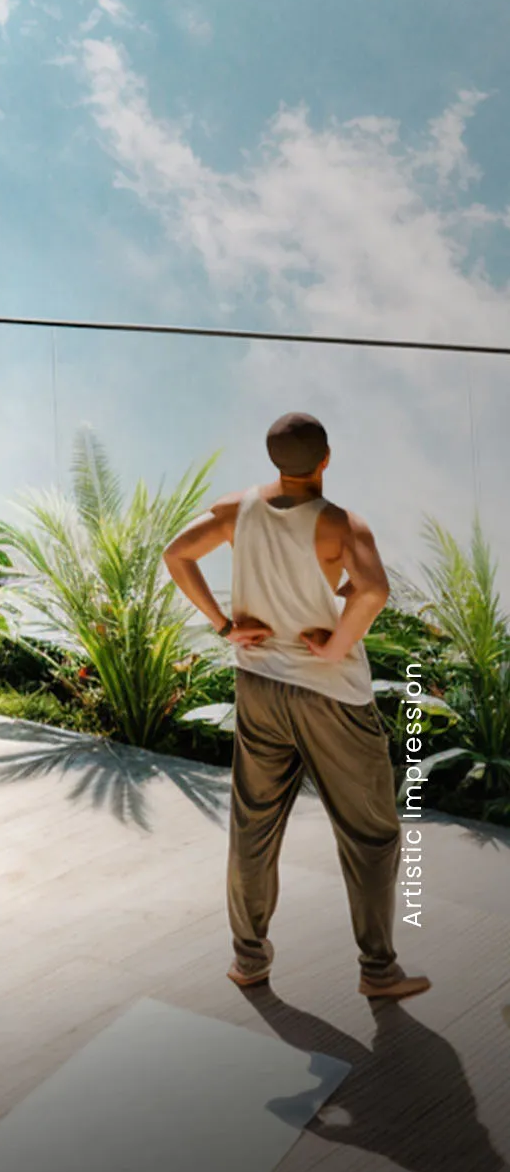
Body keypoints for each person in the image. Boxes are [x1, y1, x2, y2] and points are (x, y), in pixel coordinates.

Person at [163, 412, 429, 1001]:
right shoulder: (341, 524)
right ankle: (378, 970)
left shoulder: (236, 509)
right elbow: (375, 590)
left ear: (273, 460)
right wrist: (336, 645)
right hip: (331, 697)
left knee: (253, 827)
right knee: (370, 834)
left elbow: (177, 554)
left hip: (258, 685)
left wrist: (223, 624)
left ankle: (248, 961)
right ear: (326, 460)